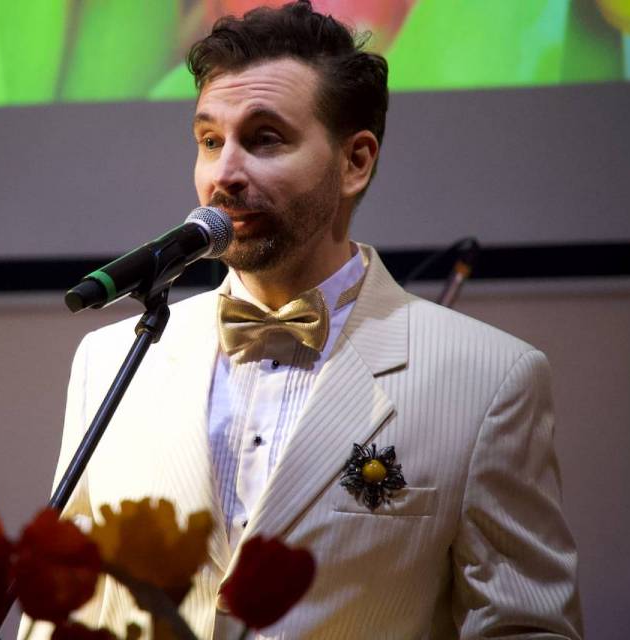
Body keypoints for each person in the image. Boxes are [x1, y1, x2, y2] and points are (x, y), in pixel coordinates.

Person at [46, 2, 582, 638]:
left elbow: (524, 627)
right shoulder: (110, 360)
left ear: (355, 162)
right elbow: (65, 606)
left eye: (265, 139)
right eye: (210, 141)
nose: (224, 174)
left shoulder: (491, 379)